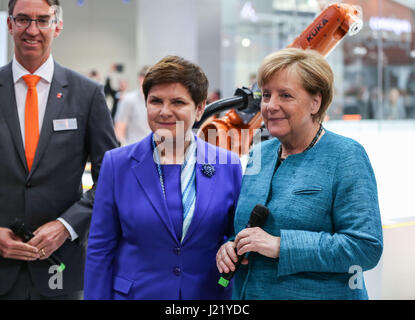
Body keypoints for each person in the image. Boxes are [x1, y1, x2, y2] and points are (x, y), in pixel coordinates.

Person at [216, 48, 383, 300]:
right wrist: (231, 246)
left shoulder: (346, 155)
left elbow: (365, 247)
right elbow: (249, 228)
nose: (271, 106)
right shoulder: (259, 153)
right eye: (267, 95)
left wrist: (282, 246)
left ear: (315, 102)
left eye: (285, 95)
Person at [84, 55, 242, 300]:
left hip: (207, 295)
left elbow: (236, 234)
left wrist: (231, 246)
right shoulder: (117, 164)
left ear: (200, 108)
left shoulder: (227, 165)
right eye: (155, 101)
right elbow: (99, 249)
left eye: (178, 102)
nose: (164, 111)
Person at [0, 0, 117, 300]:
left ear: (58, 25)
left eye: (42, 20)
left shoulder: (87, 94)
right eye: (23, 19)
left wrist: (66, 225)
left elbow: (110, 177)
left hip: (60, 265)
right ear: (10, 24)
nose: (32, 30)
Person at [114, 66, 151, 146]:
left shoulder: (157, 101)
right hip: (134, 149)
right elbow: (119, 130)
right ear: (141, 79)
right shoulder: (128, 100)